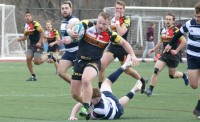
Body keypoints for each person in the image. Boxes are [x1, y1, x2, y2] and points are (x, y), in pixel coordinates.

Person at [67, 12, 138, 120]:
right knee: (75, 94)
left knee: (86, 80)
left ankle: (85, 107)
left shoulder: (110, 34)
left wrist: (132, 55)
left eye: (104, 24)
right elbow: (70, 26)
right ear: (97, 20)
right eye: (100, 23)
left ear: (109, 25)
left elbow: (124, 43)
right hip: (79, 61)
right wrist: (70, 32)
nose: (101, 26)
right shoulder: (87, 24)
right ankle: (89, 104)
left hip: (94, 62)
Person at [68, 55, 142, 120]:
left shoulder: (99, 110)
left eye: (97, 99)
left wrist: (87, 110)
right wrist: (72, 115)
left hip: (113, 106)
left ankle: (125, 68)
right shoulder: (93, 100)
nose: (96, 100)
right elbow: (79, 104)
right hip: (113, 105)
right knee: (110, 88)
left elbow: (89, 116)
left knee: (108, 86)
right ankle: (134, 89)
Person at [99, 0, 146, 92]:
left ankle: (141, 80)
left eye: (120, 8)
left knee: (127, 70)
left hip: (123, 48)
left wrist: (117, 21)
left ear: (124, 10)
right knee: (101, 66)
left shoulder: (126, 20)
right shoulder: (111, 19)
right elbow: (108, 33)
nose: (118, 10)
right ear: (114, 9)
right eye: (117, 8)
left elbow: (120, 33)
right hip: (112, 47)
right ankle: (100, 88)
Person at [164, 2, 200, 119]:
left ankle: (199, 108)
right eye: (196, 16)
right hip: (192, 57)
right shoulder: (190, 24)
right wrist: (170, 44)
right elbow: (178, 33)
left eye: (199, 16)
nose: (197, 18)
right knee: (194, 85)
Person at [145, 12, 189, 96]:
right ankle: (150, 89)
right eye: (167, 19)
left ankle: (184, 75)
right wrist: (154, 49)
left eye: (170, 19)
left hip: (173, 56)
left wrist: (176, 50)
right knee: (156, 71)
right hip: (164, 54)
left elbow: (184, 42)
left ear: (173, 21)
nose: (168, 21)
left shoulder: (176, 30)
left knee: (172, 75)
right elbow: (161, 42)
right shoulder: (163, 30)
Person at [17, 11, 52, 81]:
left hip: (39, 45)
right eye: (26, 16)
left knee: (37, 62)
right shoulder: (26, 26)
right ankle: (33, 76)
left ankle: (49, 55)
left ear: (31, 17)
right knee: (28, 58)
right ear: (24, 17)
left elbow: (42, 32)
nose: (27, 17)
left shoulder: (35, 24)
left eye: (29, 16)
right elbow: (25, 37)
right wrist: (19, 39)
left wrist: (39, 42)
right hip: (32, 45)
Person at [57, 0, 79, 84]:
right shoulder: (63, 21)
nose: (64, 10)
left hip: (78, 52)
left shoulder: (74, 20)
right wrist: (63, 41)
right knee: (61, 71)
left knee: (81, 76)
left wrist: (71, 39)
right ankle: (76, 86)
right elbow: (67, 36)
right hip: (69, 52)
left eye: (66, 8)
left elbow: (78, 35)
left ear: (71, 9)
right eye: (62, 8)